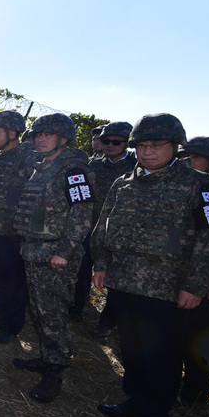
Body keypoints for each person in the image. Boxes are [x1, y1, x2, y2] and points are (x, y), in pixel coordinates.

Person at [92, 114, 209, 417]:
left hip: (168, 290)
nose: (147, 152)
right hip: (124, 283)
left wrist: (195, 286)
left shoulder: (199, 185)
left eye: (156, 145)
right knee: (132, 351)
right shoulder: (124, 183)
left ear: (175, 145)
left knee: (162, 357)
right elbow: (103, 228)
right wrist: (101, 264)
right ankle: (135, 400)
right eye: (142, 145)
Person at [11, 114, 95, 403]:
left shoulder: (74, 170)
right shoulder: (43, 167)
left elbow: (82, 216)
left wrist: (64, 251)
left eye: (47, 134)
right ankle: (47, 357)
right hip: (35, 249)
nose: (40, 139)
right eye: (37, 134)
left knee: (54, 313)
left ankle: (56, 370)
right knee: (39, 309)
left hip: (56, 255)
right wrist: (27, 241)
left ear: (63, 139)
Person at [0, 110, 39, 343]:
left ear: (12, 133)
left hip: (13, 233)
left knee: (14, 282)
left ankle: (13, 326)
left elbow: (34, 200)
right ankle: (2, 318)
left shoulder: (28, 158)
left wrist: (27, 237)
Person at [75, 121, 135, 335]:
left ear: (127, 143)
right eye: (105, 141)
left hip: (119, 233)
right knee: (80, 271)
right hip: (88, 228)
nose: (109, 145)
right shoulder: (94, 165)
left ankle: (107, 321)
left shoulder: (135, 168)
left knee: (116, 280)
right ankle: (76, 309)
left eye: (116, 142)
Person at [177, 136, 209, 407]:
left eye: (195, 158)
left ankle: (197, 388)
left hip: (207, 282)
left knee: (200, 335)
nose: (187, 163)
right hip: (177, 277)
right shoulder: (180, 186)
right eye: (184, 157)